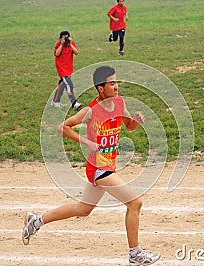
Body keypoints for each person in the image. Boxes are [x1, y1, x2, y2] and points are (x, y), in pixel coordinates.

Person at [22, 66, 160, 265]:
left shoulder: (120, 103)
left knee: (83, 209)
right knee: (135, 203)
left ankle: (37, 221)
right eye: (111, 83)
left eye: (116, 82)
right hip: (98, 169)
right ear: (100, 88)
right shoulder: (90, 110)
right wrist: (87, 143)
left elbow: (128, 126)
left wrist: (136, 121)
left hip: (108, 166)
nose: (116, 86)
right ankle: (135, 253)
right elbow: (63, 128)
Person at [51, 30, 82, 110]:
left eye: (67, 37)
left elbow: (76, 52)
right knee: (69, 84)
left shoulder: (71, 44)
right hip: (61, 68)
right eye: (63, 38)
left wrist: (70, 44)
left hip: (68, 68)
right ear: (60, 39)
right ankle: (74, 103)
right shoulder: (58, 45)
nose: (66, 40)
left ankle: (55, 101)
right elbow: (57, 54)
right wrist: (61, 44)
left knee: (62, 84)